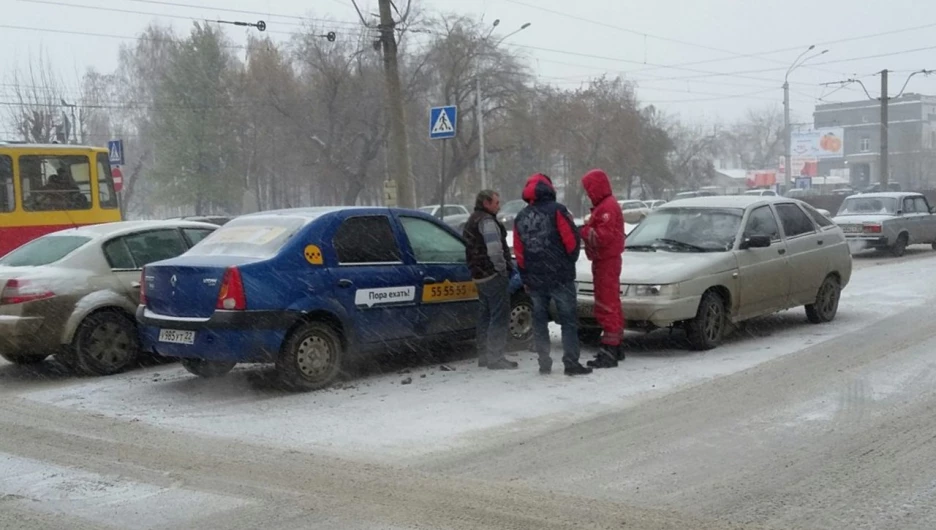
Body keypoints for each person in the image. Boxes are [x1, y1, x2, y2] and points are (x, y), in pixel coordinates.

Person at [513, 173, 592, 376]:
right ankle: (571, 362)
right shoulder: (558, 211)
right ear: (549, 190)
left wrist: (526, 276)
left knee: (539, 321)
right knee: (568, 320)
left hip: (535, 279)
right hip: (560, 276)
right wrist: (567, 262)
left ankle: (544, 361)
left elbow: (519, 252)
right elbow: (572, 241)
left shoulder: (520, 217)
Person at [463, 189, 517, 370]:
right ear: (486, 203)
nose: (499, 206)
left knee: (485, 315)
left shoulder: (472, 219)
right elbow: (494, 249)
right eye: (496, 203)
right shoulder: (487, 221)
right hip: (492, 274)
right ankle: (496, 357)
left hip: (478, 275)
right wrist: (501, 269)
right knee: (499, 316)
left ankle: (484, 355)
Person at [580, 169, 625, 369]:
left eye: (589, 189)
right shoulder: (605, 206)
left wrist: (584, 231)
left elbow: (602, 236)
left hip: (606, 261)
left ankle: (609, 350)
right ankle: (616, 345)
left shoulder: (607, 207)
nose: (588, 193)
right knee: (610, 302)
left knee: (607, 305)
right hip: (604, 261)